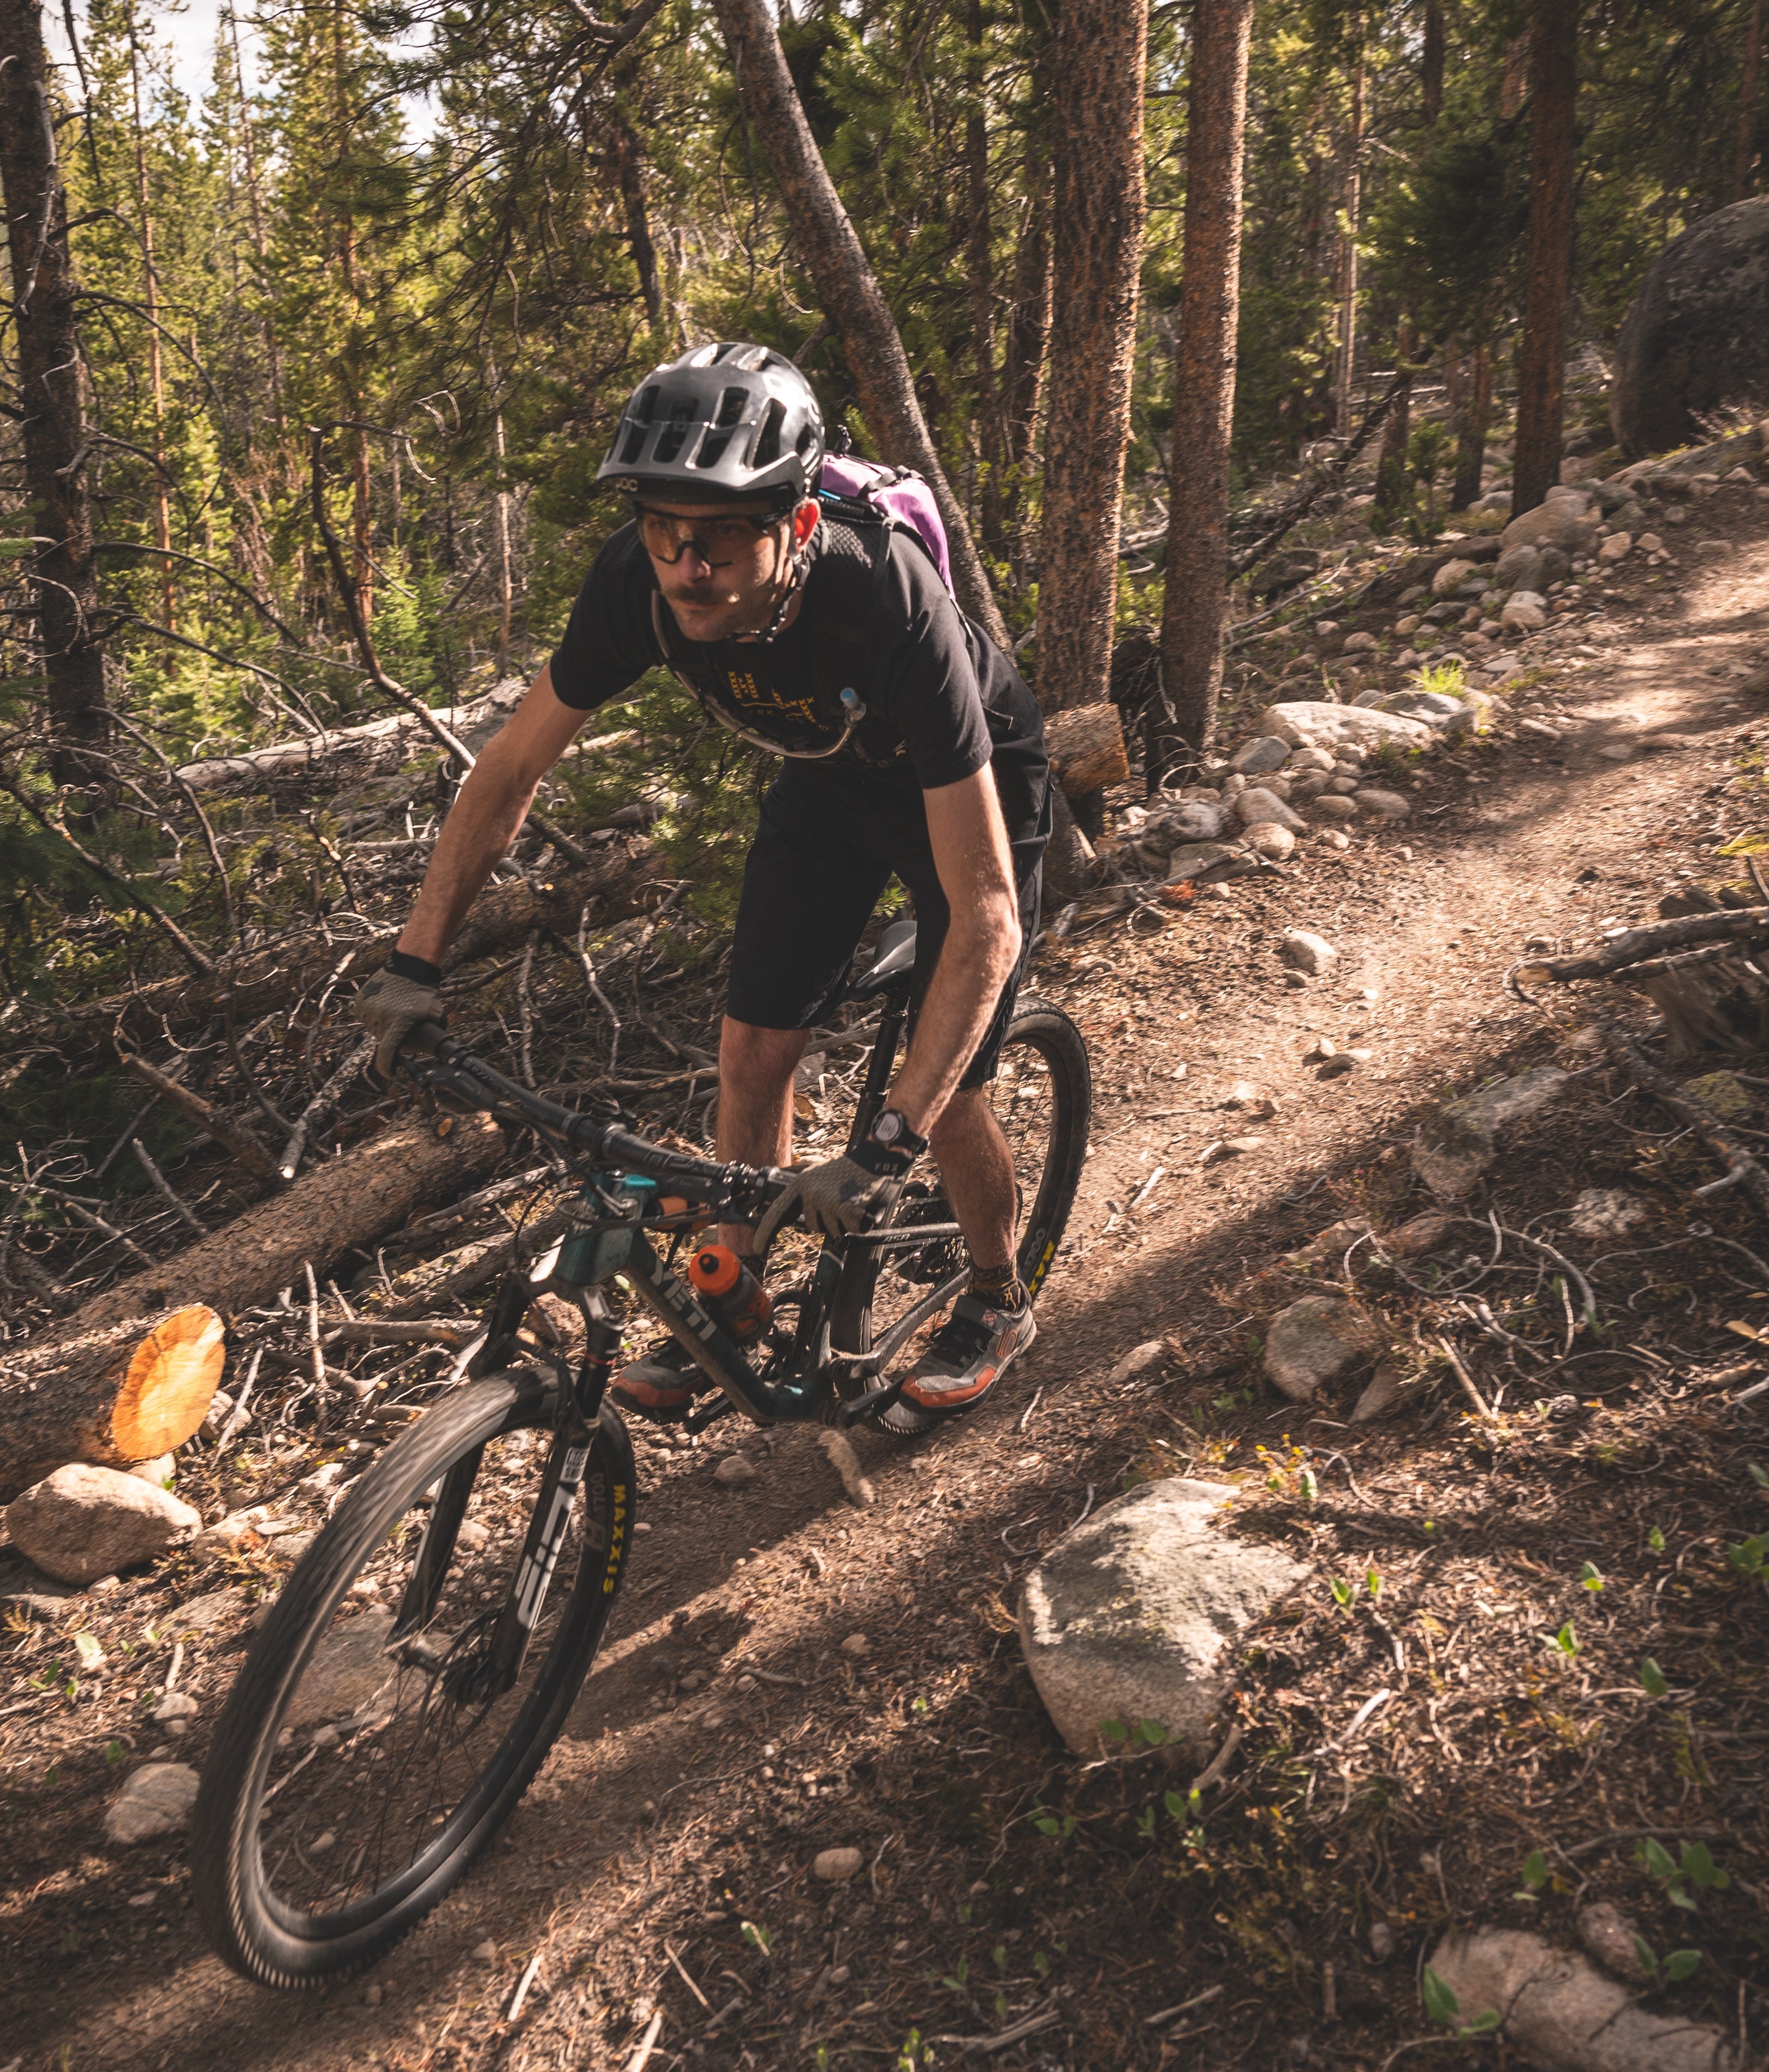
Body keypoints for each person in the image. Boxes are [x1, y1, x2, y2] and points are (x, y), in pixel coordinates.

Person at [356, 341, 1050, 1425]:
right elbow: (509, 769)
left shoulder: (883, 597)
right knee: (751, 1050)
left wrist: (886, 1144)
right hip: (827, 778)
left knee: (951, 1090)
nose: (688, 565)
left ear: (798, 525)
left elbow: (989, 918)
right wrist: (414, 964)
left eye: (723, 534)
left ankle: (999, 1298)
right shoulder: (635, 586)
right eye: (664, 530)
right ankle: (735, 1309)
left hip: (966, 781)